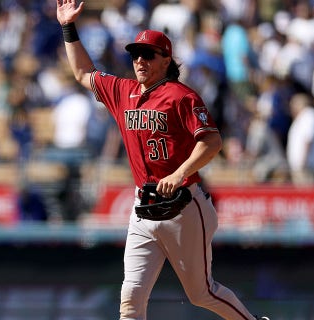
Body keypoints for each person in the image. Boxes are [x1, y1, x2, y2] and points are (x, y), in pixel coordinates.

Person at [55, 1, 269, 319]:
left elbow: (212, 141)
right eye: (135, 54)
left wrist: (181, 173)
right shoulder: (122, 91)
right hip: (143, 206)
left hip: (185, 204)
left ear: (166, 59)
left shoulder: (182, 96)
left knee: (201, 293)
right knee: (131, 296)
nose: (139, 60)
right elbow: (83, 72)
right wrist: (68, 27)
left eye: (148, 54)